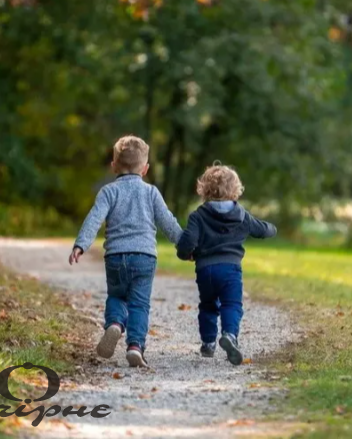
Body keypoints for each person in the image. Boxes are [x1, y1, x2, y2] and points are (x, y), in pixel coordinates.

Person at [69, 135, 182, 367]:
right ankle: (135, 346)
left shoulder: (108, 192)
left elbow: (94, 219)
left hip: (115, 257)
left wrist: (81, 245)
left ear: (113, 166)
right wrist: (185, 245)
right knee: (139, 304)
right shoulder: (151, 192)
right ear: (146, 168)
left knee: (117, 296)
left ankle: (115, 324)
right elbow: (167, 222)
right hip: (144, 257)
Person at [175, 163, 277, 365]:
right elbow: (262, 230)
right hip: (231, 270)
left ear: (204, 190)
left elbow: (187, 243)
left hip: (205, 271)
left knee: (208, 305)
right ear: (235, 190)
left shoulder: (198, 216)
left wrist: (185, 254)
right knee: (232, 304)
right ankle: (230, 335)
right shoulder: (242, 216)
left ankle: (208, 343)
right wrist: (273, 228)